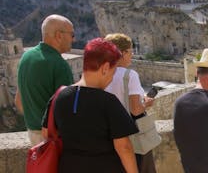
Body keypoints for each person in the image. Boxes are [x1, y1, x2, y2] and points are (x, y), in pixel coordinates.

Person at [43, 38, 138, 172]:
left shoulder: (59, 96)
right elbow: (124, 147)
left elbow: (46, 132)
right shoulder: (108, 102)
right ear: (105, 68)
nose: (112, 77)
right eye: (113, 70)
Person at [15, 14, 75, 145]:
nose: (73, 40)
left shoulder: (26, 57)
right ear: (59, 35)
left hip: (32, 133)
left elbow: (19, 101)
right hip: (53, 138)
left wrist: (35, 120)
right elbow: (67, 111)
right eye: (72, 34)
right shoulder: (59, 65)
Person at [104, 33, 156, 173]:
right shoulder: (129, 75)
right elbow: (135, 110)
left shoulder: (102, 74)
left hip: (108, 135)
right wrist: (147, 103)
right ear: (121, 53)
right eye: (130, 51)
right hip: (131, 135)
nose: (131, 55)